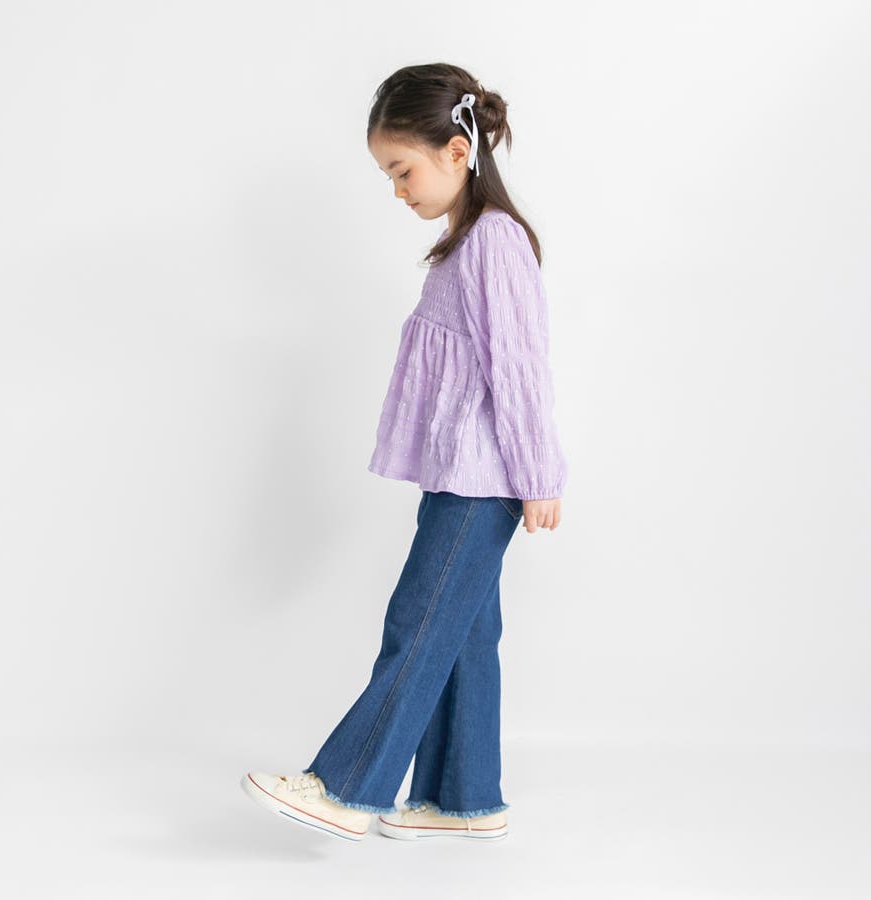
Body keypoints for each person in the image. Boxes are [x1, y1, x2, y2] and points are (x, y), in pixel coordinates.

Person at [241, 62, 569, 843]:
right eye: (388, 175)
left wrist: (539, 475)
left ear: (457, 150)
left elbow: (519, 367)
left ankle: (344, 787)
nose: (397, 189)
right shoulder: (466, 245)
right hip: (464, 476)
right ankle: (463, 799)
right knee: (463, 633)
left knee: (418, 623)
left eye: (402, 169)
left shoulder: (495, 242)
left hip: (484, 482)